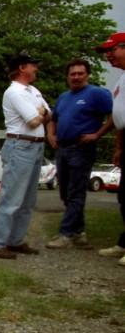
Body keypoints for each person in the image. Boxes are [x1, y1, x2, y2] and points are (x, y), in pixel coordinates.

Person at [0, 52, 51, 259]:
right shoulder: (14, 92)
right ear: (22, 68)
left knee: (27, 200)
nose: (36, 69)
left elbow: (50, 114)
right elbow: (33, 120)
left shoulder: (33, 91)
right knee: (12, 198)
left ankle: (15, 240)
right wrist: (40, 113)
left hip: (35, 147)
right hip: (20, 146)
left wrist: (40, 113)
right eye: (33, 65)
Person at [45, 59, 113, 249]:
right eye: (72, 74)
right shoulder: (63, 97)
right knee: (65, 192)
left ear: (87, 75)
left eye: (80, 73)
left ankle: (66, 234)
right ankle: (79, 232)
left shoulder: (97, 94)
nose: (76, 77)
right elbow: (52, 118)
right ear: (67, 77)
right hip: (63, 149)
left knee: (76, 191)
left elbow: (114, 115)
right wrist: (51, 134)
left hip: (82, 149)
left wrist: (97, 134)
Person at [94, 32, 125, 266]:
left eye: (112, 50)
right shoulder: (121, 80)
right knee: (124, 196)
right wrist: (117, 146)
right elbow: (119, 118)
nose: (108, 57)